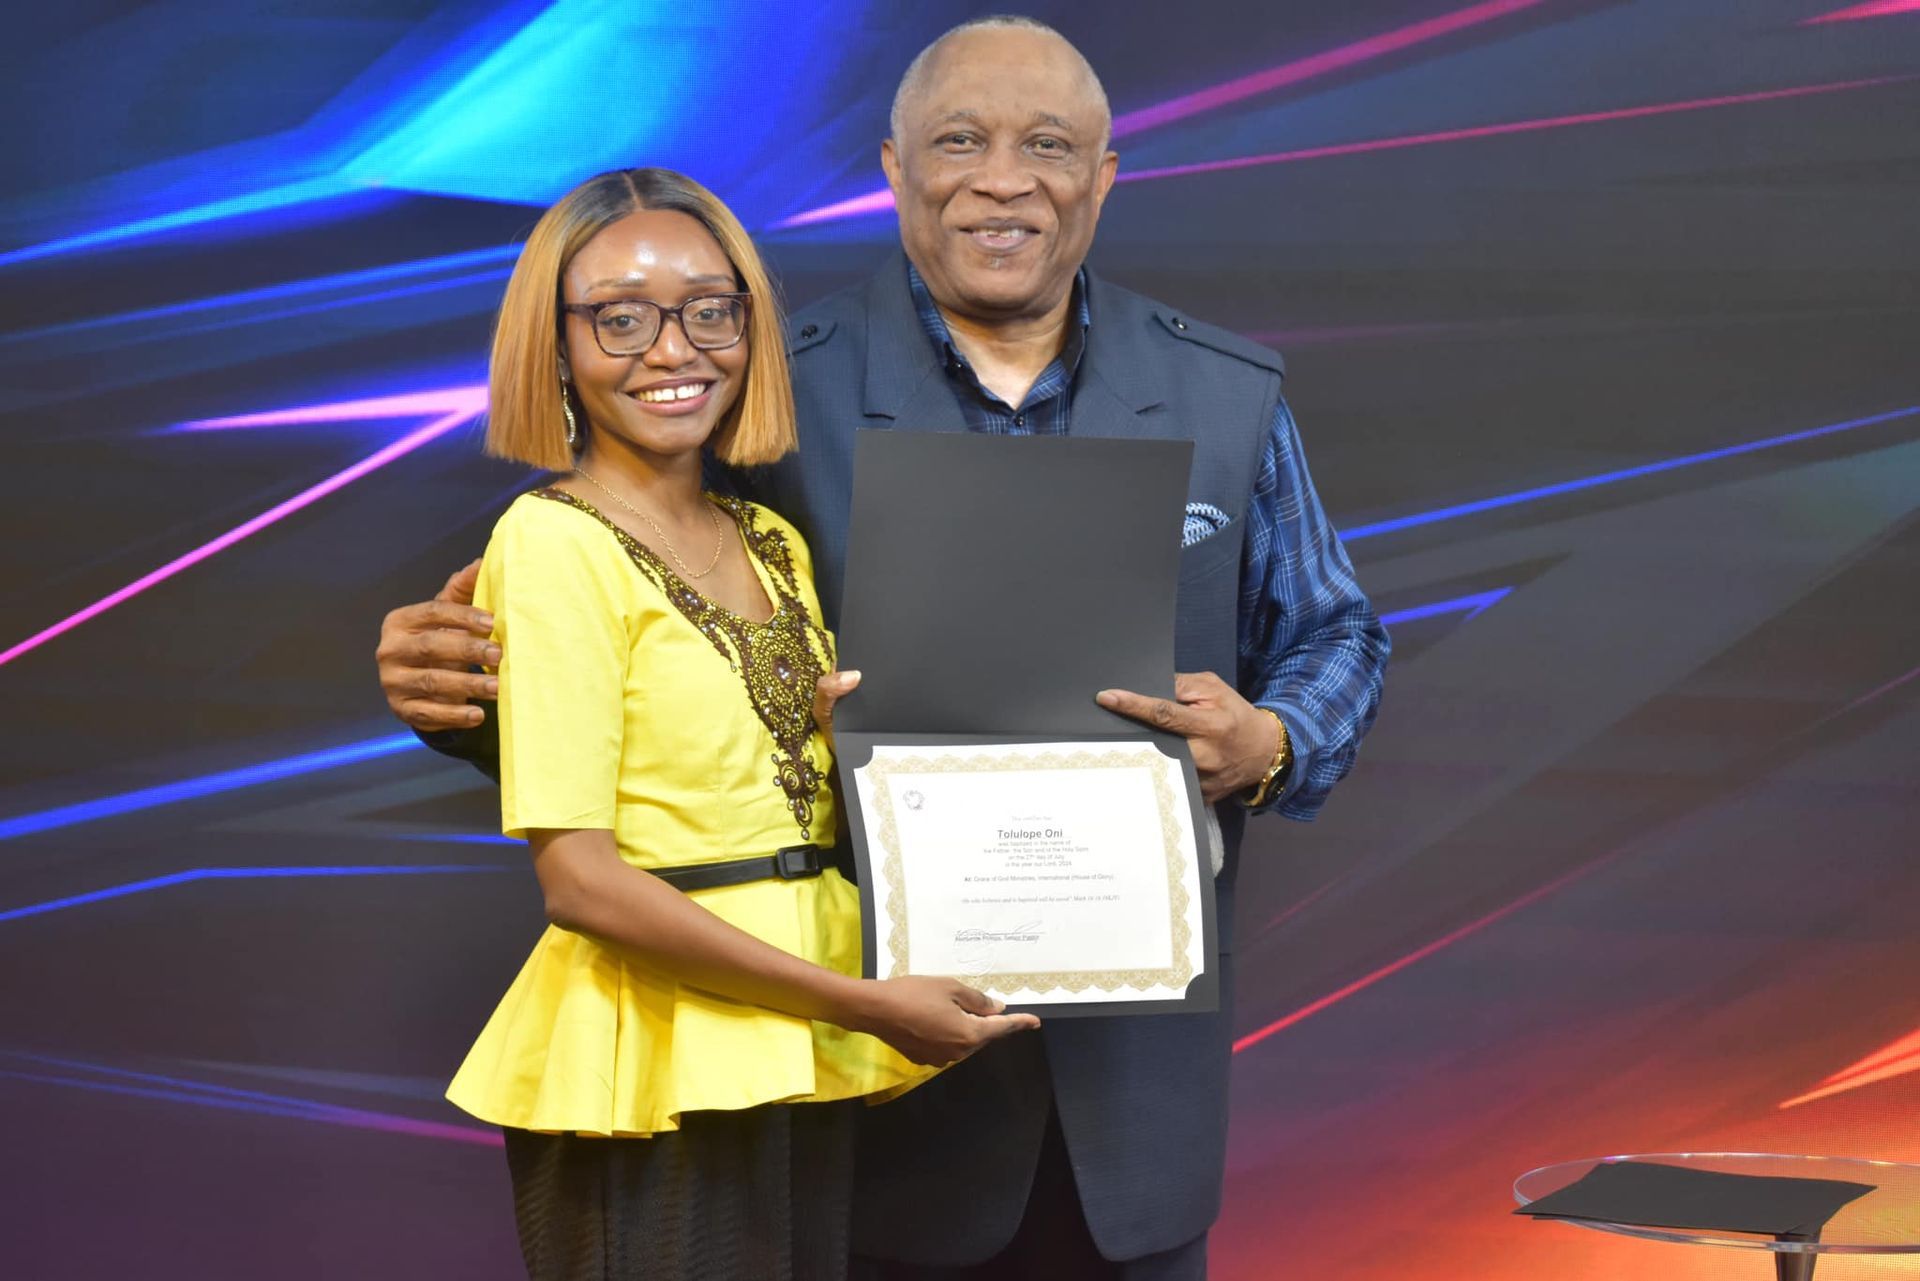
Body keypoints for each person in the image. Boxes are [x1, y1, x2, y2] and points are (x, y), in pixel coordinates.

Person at [379, 18, 1390, 1279]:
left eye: (1049, 145)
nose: (1003, 178)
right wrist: (462, 694)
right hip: (859, 1076)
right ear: (894, 167)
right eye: (959, 141)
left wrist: (1275, 738)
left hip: (1138, 1073)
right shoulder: (768, 401)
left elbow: (1336, 630)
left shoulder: (1228, 395)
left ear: (1107, 174)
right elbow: (659, 697)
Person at [442, 165, 1037, 1281]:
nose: (674, 350)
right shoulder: (553, 539)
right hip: (660, 1055)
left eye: (711, 310)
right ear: (555, 344)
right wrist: (860, 1003)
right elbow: (580, 880)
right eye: (620, 318)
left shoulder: (772, 539)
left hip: (796, 1043)